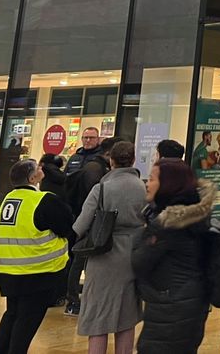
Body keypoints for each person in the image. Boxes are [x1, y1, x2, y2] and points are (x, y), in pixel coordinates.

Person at [0, 158, 74, 354]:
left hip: (9, 271)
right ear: (32, 177)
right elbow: (66, 226)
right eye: (37, 167)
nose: (41, 168)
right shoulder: (44, 200)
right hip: (38, 272)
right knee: (27, 321)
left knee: (12, 314)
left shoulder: (8, 199)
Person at [73, 140, 147, 354]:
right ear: (132, 160)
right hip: (132, 253)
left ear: (110, 160)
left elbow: (81, 223)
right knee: (126, 319)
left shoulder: (102, 187)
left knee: (98, 318)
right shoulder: (142, 186)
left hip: (103, 254)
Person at [133, 159, 213, 354]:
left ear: (168, 185)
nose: (147, 183)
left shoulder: (169, 224)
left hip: (171, 307)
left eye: (152, 179)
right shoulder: (192, 216)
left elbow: (140, 261)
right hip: (185, 303)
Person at [65, 135, 114, 316]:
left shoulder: (97, 166)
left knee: (84, 259)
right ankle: (73, 300)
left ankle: (81, 298)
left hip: (91, 219)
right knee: (79, 260)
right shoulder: (95, 168)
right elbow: (92, 198)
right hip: (89, 219)